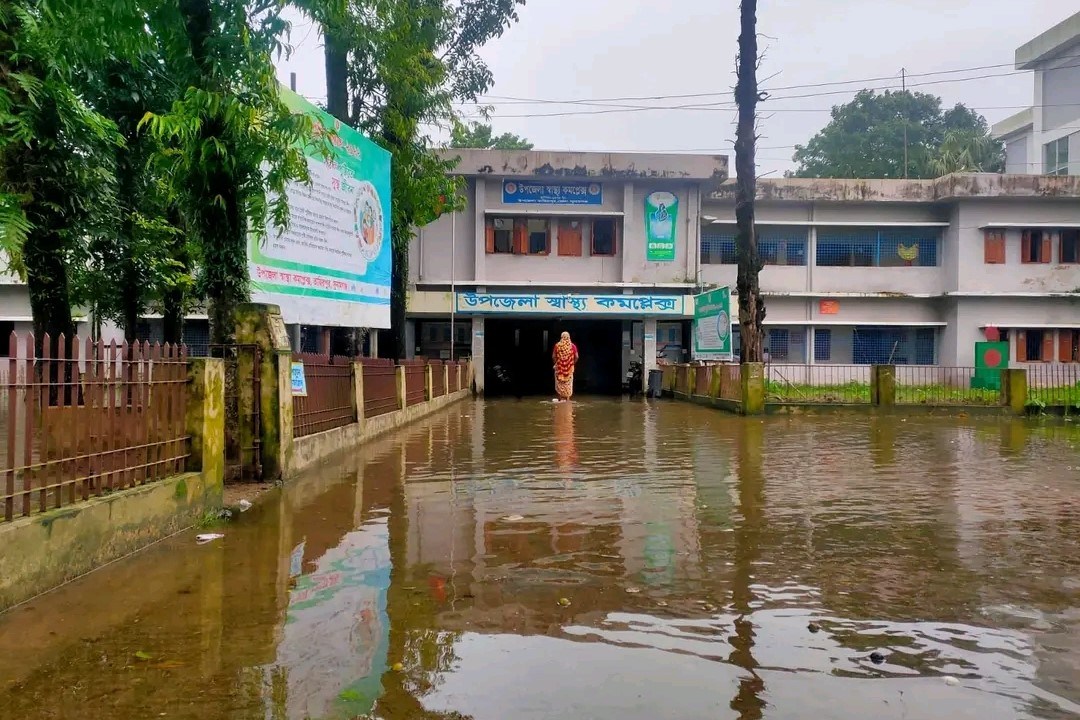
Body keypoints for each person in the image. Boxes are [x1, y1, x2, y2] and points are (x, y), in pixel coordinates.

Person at [552, 331, 579, 401]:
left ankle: (560, 399)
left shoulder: (557, 345)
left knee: (559, 384)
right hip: (569, 368)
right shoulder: (573, 346)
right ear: (569, 337)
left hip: (559, 369)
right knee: (568, 384)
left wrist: (557, 364)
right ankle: (567, 399)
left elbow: (553, 357)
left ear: (561, 337)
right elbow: (577, 357)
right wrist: (572, 363)